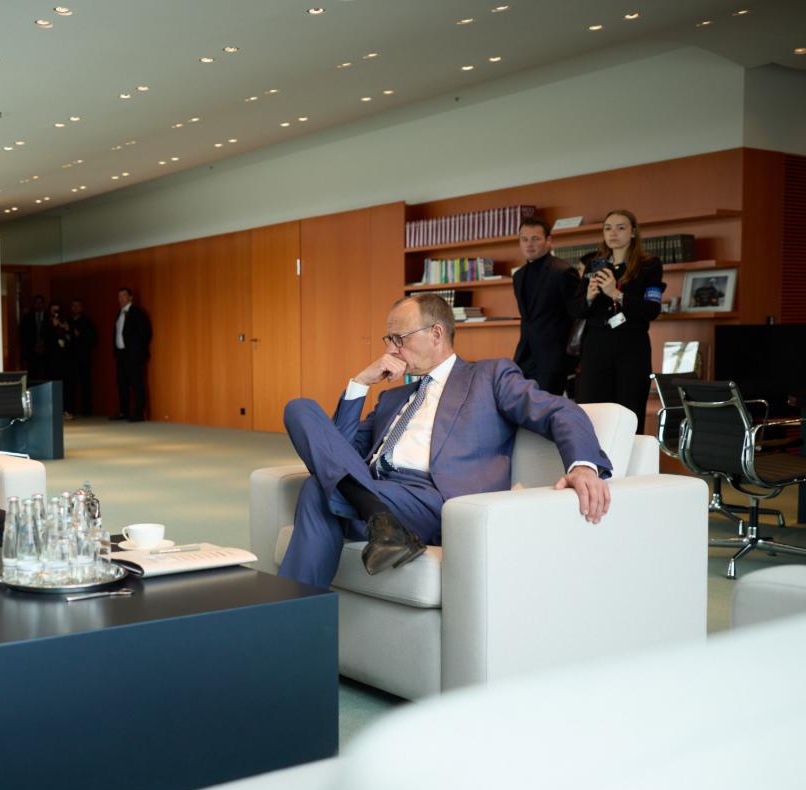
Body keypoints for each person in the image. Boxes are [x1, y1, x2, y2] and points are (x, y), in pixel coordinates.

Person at [279, 294, 612, 589]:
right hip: (377, 489)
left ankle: (290, 621)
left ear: (436, 334)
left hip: (434, 499)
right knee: (300, 409)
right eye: (388, 340)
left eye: (399, 339)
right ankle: (378, 519)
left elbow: (559, 411)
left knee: (317, 490)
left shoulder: (489, 376)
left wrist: (583, 466)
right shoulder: (392, 398)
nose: (390, 350)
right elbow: (336, 452)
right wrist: (360, 383)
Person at [568, 209, 664, 434]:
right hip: (596, 345)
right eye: (608, 228)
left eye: (621, 228)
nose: (613, 233)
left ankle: (628, 456)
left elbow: (652, 310)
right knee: (592, 409)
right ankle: (591, 455)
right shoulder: (594, 264)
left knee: (629, 409)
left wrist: (616, 294)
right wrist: (589, 297)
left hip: (631, 346)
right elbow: (575, 309)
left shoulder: (649, 265)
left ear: (633, 232)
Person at [512, 216, 581, 395]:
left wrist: (571, 358)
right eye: (524, 239)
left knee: (546, 408)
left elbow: (577, 314)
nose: (529, 244)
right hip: (524, 355)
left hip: (553, 358)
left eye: (535, 238)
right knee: (522, 406)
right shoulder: (518, 276)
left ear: (549, 240)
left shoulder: (563, 271)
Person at [112, 287, 152, 422]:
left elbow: (145, 333)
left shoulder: (137, 313)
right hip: (121, 355)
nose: (121, 299)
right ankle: (124, 411)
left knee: (137, 383)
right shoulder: (119, 313)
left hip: (134, 355)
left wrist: (137, 350)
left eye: (124, 295)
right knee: (122, 384)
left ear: (130, 297)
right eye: (119, 296)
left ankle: (139, 413)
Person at [65, 299, 97, 417]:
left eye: (78, 306)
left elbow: (93, 339)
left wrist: (80, 335)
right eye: (73, 306)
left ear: (81, 308)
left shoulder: (87, 322)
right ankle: (70, 409)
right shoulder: (67, 322)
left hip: (83, 357)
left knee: (85, 384)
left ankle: (87, 410)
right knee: (70, 384)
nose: (75, 308)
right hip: (70, 358)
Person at [45, 302, 74, 418]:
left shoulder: (65, 322)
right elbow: (45, 339)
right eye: (54, 311)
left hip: (65, 359)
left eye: (58, 310)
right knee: (53, 384)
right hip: (52, 360)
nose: (56, 313)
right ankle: (53, 410)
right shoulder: (46, 323)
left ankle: (66, 409)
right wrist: (53, 326)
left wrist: (66, 329)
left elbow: (71, 338)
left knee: (66, 385)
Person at [19, 294, 50, 380]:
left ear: (43, 304)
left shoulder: (49, 317)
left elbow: (51, 335)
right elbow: (23, 335)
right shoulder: (28, 317)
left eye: (40, 303)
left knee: (46, 375)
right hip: (32, 352)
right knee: (33, 375)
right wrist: (32, 347)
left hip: (46, 352)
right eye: (36, 303)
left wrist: (44, 346)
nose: (38, 305)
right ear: (33, 304)